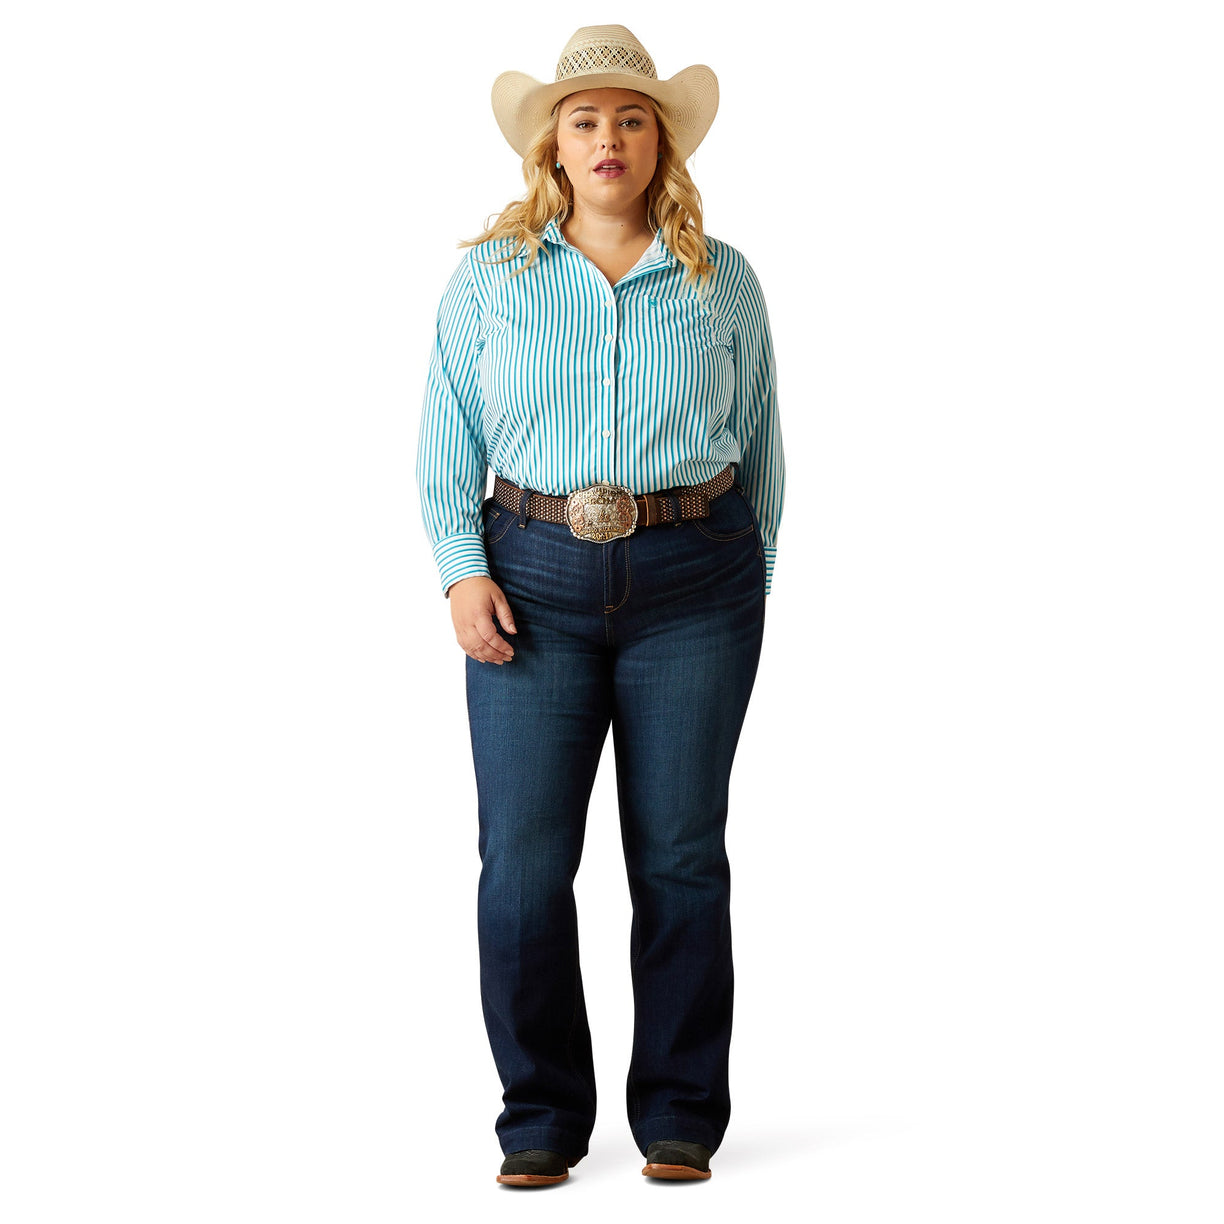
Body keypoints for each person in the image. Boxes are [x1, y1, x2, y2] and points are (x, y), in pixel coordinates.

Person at [416, 25, 785, 1186]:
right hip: (530, 585)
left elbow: (763, 446)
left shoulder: (723, 279)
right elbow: (446, 436)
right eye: (585, 121)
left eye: (631, 119)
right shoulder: (491, 278)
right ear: (554, 147)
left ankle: (680, 1114)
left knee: (681, 857)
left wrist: (750, 583)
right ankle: (539, 1118)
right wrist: (462, 569)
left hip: (697, 590)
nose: (608, 139)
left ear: (661, 142)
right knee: (523, 865)